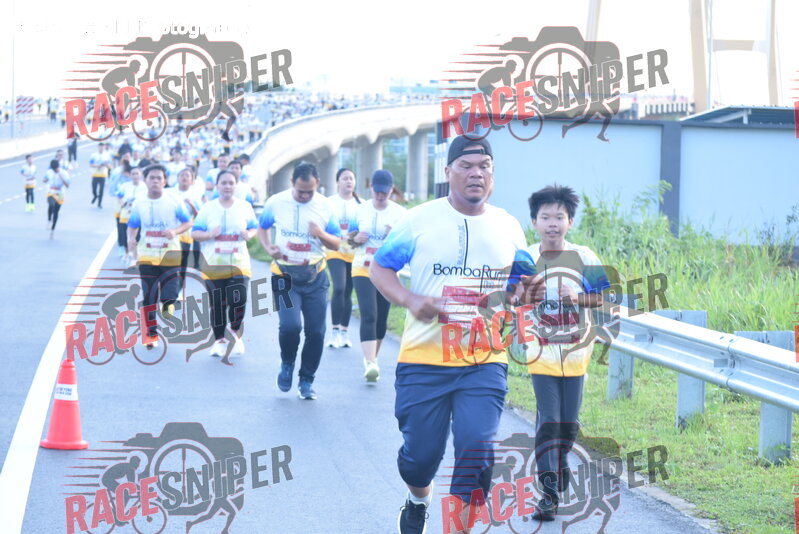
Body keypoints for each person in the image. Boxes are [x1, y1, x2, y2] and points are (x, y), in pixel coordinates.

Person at [369, 136, 526, 533]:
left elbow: (521, 284)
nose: (476, 173)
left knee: (477, 451)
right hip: (424, 359)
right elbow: (379, 268)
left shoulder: (509, 226)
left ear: (493, 175)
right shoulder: (418, 220)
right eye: (466, 166)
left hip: (484, 360)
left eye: (484, 167)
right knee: (419, 459)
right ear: (448, 172)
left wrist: (520, 296)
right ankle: (417, 498)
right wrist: (409, 299)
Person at [506, 184, 611, 521]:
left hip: (577, 352)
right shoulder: (525, 258)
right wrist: (526, 296)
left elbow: (603, 297)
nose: (552, 223)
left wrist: (575, 298)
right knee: (549, 421)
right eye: (545, 217)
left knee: (568, 426)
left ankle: (560, 459)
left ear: (570, 222)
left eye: (559, 217)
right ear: (534, 221)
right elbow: (511, 298)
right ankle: (548, 495)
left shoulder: (585, 257)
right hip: (541, 352)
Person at [257, 162, 341, 400]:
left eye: (309, 192)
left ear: (318, 185)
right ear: (292, 182)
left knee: (316, 332)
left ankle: (306, 379)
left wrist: (320, 234)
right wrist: (268, 247)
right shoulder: (276, 202)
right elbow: (263, 228)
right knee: (290, 326)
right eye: (300, 191)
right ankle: (287, 363)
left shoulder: (325, 206)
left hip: (315, 277)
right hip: (284, 275)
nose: (304, 196)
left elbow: (337, 243)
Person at [192, 170, 258, 364]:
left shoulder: (244, 207)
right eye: (224, 183)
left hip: (239, 263)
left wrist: (249, 234)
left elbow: (254, 227)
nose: (227, 186)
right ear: (217, 185)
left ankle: (234, 333)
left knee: (239, 298)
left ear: (236, 185)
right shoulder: (208, 208)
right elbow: (195, 233)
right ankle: (219, 340)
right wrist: (209, 234)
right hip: (214, 264)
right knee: (217, 303)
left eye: (231, 183)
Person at [348, 170, 406, 382]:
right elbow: (349, 239)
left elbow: (406, 246)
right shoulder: (360, 210)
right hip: (362, 267)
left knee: (381, 318)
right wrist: (356, 238)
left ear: (392, 190)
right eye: (377, 191)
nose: (380, 196)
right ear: (371, 188)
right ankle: (370, 362)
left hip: (387, 271)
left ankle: (373, 358)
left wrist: (394, 236)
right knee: (369, 314)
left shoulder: (400, 214)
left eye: (385, 192)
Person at [126, 164, 192, 348]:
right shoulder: (139, 202)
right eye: (152, 178)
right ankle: (151, 335)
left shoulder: (174, 200)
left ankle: (167, 303)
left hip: (170, 253)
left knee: (169, 294)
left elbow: (187, 222)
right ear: (145, 180)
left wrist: (175, 231)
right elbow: (132, 225)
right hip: (147, 254)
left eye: (159, 178)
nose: (155, 181)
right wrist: (131, 238)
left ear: (164, 181)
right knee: (149, 296)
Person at [326, 168, 360, 349]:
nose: (348, 181)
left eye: (351, 178)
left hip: (354, 252)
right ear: (337, 182)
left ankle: (344, 333)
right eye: (345, 178)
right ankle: (334, 332)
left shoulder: (361, 204)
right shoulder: (329, 203)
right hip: (335, 250)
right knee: (339, 287)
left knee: (348, 291)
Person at [171, 166, 204, 284]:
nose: (184, 178)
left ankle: (180, 284)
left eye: (187, 176)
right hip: (172, 230)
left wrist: (192, 205)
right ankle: (171, 284)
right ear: (177, 178)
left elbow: (199, 216)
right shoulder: (171, 192)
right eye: (182, 175)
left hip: (186, 231)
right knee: (171, 259)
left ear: (192, 181)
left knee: (183, 259)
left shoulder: (195, 195)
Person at [116, 167, 147, 265]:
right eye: (133, 174)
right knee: (126, 235)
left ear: (141, 175)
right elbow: (119, 197)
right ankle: (126, 253)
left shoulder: (145, 187)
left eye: (137, 173)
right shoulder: (125, 186)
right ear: (130, 175)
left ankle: (134, 257)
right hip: (126, 214)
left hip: (138, 215)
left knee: (137, 236)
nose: (135, 176)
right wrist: (123, 204)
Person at [43, 159, 71, 239]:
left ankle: (53, 229)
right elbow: (44, 180)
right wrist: (45, 180)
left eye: (56, 169)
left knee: (56, 212)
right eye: (54, 170)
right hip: (51, 191)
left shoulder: (64, 173)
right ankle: (49, 220)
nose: (55, 171)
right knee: (51, 204)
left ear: (58, 167)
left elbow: (67, 185)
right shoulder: (49, 172)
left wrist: (62, 178)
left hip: (60, 193)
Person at [89, 142, 112, 208]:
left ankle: (99, 203)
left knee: (101, 190)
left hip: (103, 175)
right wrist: (97, 166)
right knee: (94, 189)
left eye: (102, 146)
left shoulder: (107, 155)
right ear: (98, 147)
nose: (101, 148)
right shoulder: (94, 155)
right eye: (100, 146)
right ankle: (95, 196)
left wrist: (106, 165)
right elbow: (90, 164)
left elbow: (110, 166)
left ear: (104, 147)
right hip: (95, 174)